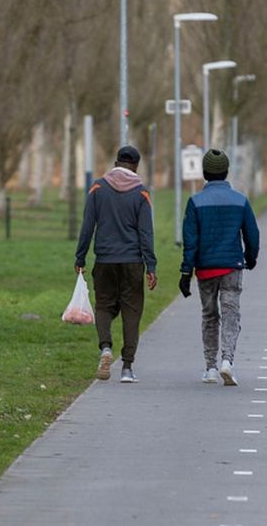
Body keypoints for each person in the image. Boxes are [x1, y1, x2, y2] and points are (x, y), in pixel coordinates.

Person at [74, 145, 158, 383]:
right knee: (132, 312)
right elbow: (146, 233)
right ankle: (127, 368)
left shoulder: (98, 188)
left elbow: (87, 226)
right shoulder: (141, 193)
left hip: (105, 260)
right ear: (136, 166)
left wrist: (80, 257)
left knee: (103, 306)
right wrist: (151, 266)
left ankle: (105, 348)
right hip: (132, 262)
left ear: (116, 163)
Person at [179, 149, 260, 386]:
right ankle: (227, 360)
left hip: (205, 268)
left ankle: (211, 368)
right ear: (226, 172)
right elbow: (252, 234)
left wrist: (186, 272)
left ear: (205, 173)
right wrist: (250, 258)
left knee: (209, 315)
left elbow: (190, 241)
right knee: (231, 313)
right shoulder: (240, 200)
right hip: (232, 266)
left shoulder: (195, 202)